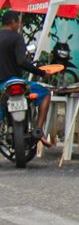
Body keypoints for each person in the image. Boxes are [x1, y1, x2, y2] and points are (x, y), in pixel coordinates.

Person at [0, 11, 54, 147]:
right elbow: (21, 62)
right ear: (12, 22)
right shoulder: (17, 38)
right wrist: (41, 72)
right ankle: (39, 129)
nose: (19, 25)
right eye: (18, 22)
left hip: (1, 86)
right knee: (46, 93)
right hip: (16, 82)